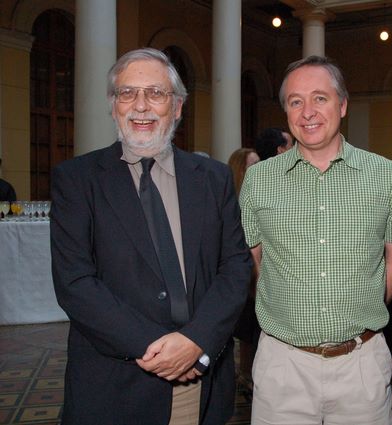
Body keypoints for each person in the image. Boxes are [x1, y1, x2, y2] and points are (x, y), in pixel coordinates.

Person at [50, 48, 251, 425]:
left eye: (156, 93)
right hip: (113, 387)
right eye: (127, 93)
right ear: (113, 106)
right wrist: (159, 350)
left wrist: (197, 342)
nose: (140, 106)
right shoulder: (76, 180)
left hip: (200, 382)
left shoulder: (214, 179)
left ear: (177, 107)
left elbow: (235, 267)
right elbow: (75, 283)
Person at [239, 55, 392, 425]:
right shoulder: (259, 180)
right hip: (282, 366)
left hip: (361, 363)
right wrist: (283, 306)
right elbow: (251, 259)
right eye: (296, 101)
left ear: (342, 105)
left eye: (320, 98)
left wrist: (362, 307)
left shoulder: (385, 175)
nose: (307, 112)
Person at [227, 147, 260, 390]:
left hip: (258, 279)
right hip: (245, 279)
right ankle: (246, 375)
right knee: (248, 332)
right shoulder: (231, 204)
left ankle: (249, 375)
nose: (259, 169)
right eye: (253, 165)